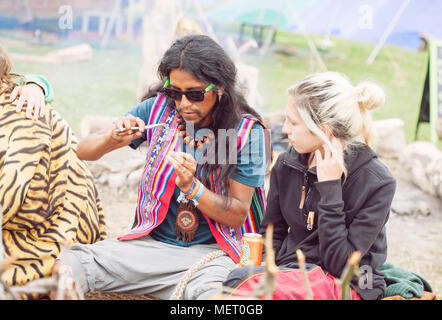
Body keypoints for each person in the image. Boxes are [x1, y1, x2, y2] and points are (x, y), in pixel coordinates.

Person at [56, 34, 268, 300]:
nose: (183, 104)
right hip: (149, 249)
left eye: (194, 94)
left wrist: (192, 187)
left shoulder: (246, 133)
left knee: (215, 298)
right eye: (174, 92)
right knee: (69, 266)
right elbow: (84, 150)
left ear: (220, 87)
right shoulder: (158, 111)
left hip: (215, 255)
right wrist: (113, 138)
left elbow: (236, 214)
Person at [224, 71, 397, 300]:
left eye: (293, 122)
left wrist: (330, 188)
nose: (285, 130)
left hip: (349, 283)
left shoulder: (377, 182)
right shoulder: (287, 164)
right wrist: (267, 267)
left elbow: (341, 266)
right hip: (292, 273)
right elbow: (271, 234)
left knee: (248, 286)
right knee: (241, 280)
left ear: (323, 131)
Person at [0, 36, 106, 298]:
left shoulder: (18, 109)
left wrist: (37, 84)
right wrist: (37, 82)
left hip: (53, 225)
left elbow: (16, 200)